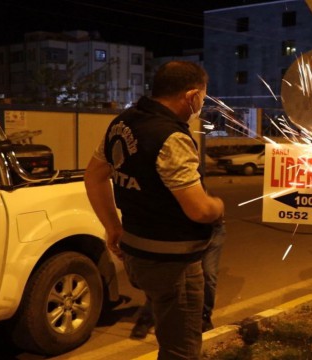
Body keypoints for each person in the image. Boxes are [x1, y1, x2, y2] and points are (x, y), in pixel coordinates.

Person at [84, 60, 224, 360]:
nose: (202, 102)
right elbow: (199, 211)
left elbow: (94, 176)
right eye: (203, 95)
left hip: (137, 250)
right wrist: (217, 206)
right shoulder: (171, 137)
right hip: (172, 261)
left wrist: (113, 227)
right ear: (191, 96)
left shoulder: (123, 122)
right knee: (181, 349)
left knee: (167, 329)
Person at [130, 221, 226, 339]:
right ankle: (147, 318)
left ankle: (204, 317)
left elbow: (212, 211)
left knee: (209, 274)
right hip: (183, 233)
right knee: (164, 275)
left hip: (211, 231)